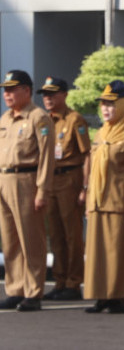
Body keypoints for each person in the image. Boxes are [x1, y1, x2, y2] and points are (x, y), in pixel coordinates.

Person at [84, 80, 124, 314]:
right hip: (99, 203)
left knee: (118, 253)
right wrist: (90, 201)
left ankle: (118, 298)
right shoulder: (101, 133)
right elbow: (92, 171)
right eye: (103, 104)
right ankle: (101, 296)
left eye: (111, 104)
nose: (106, 109)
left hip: (119, 203)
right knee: (98, 253)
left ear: (123, 106)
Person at [0, 70, 55, 312]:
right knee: (10, 240)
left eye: (12, 89)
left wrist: (42, 190)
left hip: (26, 180)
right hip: (4, 179)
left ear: (26, 90)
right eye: (5, 90)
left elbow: (46, 159)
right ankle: (15, 288)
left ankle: (33, 291)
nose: (7, 94)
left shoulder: (38, 117)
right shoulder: (5, 119)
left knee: (30, 239)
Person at [38, 76, 91, 301]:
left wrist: (85, 188)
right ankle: (59, 281)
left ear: (65, 95)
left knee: (72, 234)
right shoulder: (44, 121)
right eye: (45, 95)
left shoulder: (74, 120)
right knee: (56, 234)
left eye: (53, 94)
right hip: (51, 181)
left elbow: (86, 154)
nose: (48, 99)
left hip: (70, 179)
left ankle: (73, 281)